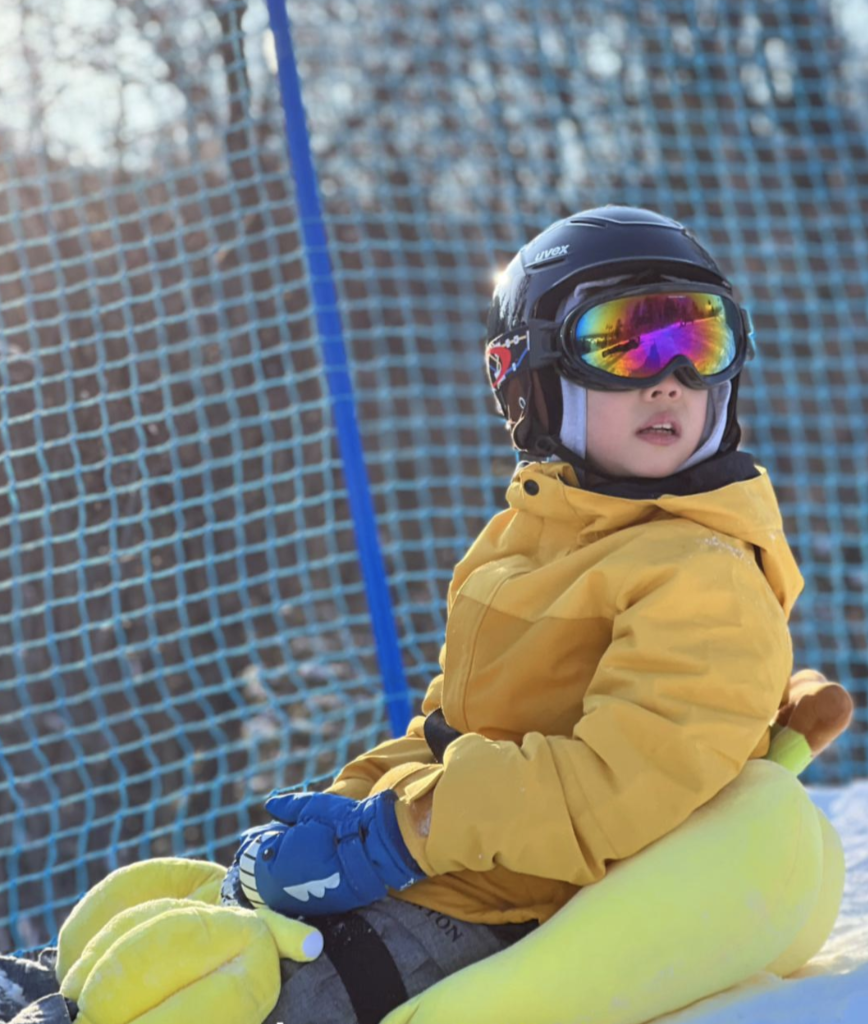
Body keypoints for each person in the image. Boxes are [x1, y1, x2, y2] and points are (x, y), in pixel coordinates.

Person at [0, 205, 843, 1024]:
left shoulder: (703, 573)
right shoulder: (528, 538)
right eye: (621, 342)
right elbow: (451, 727)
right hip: (458, 862)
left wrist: (398, 835)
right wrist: (354, 802)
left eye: (700, 338)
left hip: (517, 903)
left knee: (272, 989)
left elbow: (616, 790)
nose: (671, 376)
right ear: (532, 375)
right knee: (188, 898)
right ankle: (68, 979)